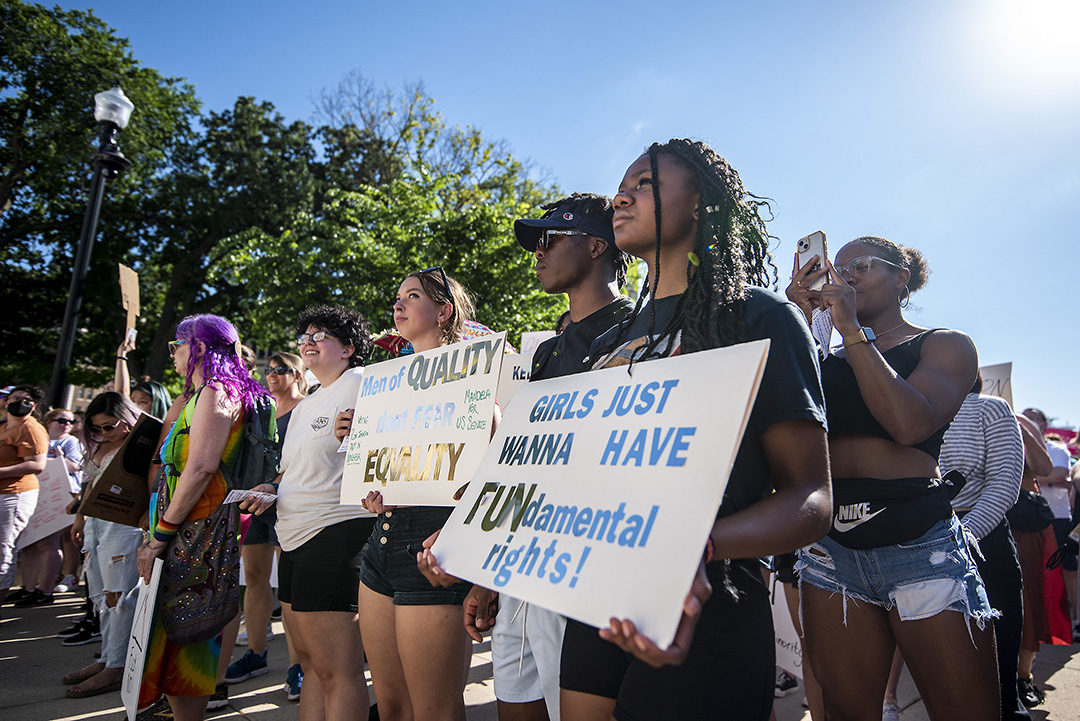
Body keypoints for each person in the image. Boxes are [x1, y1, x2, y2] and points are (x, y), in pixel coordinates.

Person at [542, 139, 830, 721]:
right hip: (597, 592)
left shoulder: (759, 317)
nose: (621, 196)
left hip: (710, 600)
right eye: (621, 185)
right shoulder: (607, 341)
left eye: (644, 184)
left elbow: (813, 497)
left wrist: (694, 548)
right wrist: (476, 549)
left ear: (701, 203)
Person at [421, 193, 634, 721]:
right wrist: (486, 573)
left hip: (585, 567)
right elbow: (524, 465)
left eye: (548, 239)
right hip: (523, 565)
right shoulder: (547, 350)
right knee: (515, 702)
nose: (535, 253)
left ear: (596, 244)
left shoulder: (641, 332)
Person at [788, 236, 999, 719]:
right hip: (832, 549)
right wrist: (798, 324)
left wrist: (851, 331)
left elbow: (909, 424)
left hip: (920, 544)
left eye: (859, 266)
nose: (845, 278)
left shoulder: (944, 344)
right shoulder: (824, 356)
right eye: (834, 270)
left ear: (901, 277)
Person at [346, 269, 481, 721]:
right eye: (397, 296)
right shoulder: (385, 384)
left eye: (413, 296)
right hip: (379, 547)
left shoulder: (473, 383)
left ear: (444, 312)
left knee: (434, 711)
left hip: (432, 545)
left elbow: (488, 479)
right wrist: (371, 483)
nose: (398, 305)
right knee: (391, 707)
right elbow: (384, 470)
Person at [242, 305, 375, 721]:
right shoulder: (304, 406)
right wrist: (270, 488)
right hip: (293, 536)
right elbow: (289, 470)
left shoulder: (362, 383)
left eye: (320, 336)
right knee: (310, 664)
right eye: (304, 338)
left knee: (339, 671)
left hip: (336, 532)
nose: (308, 344)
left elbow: (383, 448)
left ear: (349, 348)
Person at [137, 315, 271, 721]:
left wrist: (160, 534)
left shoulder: (218, 392)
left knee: (188, 641)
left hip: (197, 533)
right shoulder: (202, 393)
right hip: (187, 527)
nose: (173, 352)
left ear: (197, 348)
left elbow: (199, 469)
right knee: (175, 639)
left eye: (179, 343)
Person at [937, 376, 1028, 719]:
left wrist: (962, 537)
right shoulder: (912, 410)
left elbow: (1005, 483)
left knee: (997, 668)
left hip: (983, 544)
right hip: (922, 543)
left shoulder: (990, 408)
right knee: (946, 674)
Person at [226, 351, 307, 700]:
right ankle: (256, 654)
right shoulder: (260, 408)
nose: (272, 375)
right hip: (254, 502)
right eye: (269, 369)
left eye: (282, 369)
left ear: (298, 375)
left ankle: (297, 666)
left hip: (289, 502)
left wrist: (275, 484)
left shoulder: (307, 408)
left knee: (288, 589)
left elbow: (306, 459)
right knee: (255, 579)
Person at [63, 392, 144, 698]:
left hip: (123, 525)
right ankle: (109, 657)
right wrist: (80, 519)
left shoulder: (139, 444)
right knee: (103, 597)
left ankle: (117, 664)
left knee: (119, 596)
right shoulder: (101, 444)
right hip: (96, 525)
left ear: (126, 419)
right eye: (96, 429)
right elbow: (90, 487)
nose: (102, 433)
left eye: (109, 426)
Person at [1011, 412, 1069, 707]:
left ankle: (1023, 677)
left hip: (1023, 526)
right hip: (979, 521)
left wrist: (1023, 428)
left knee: (1028, 601)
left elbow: (1045, 467)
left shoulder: (1019, 427)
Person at [12, 408, 84, 608]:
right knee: (28, 544)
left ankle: (45, 590)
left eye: (70, 421)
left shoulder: (70, 441)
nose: (66, 425)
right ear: (49, 422)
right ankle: (28, 588)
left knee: (50, 545)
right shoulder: (41, 438)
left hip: (59, 497)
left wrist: (37, 462)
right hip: (36, 494)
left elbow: (74, 464)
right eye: (61, 420)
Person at [0, 386, 48, 608]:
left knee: (3, 549)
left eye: (26, 400)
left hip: (14, 494)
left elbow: (37, 464)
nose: (19, 402)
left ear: (35, 406)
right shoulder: (4, 427)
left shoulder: (32, 429)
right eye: (15, 398)